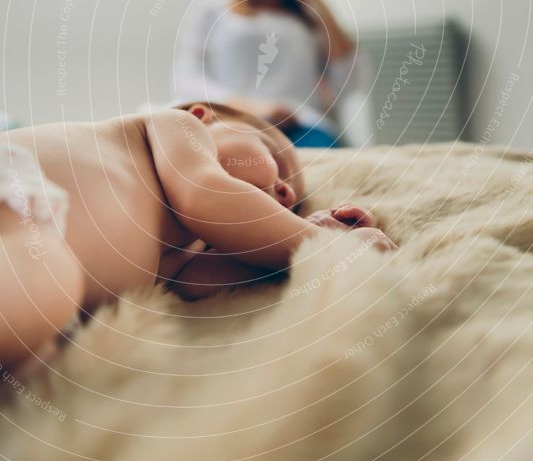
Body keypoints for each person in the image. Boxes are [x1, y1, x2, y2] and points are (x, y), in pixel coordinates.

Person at [0, 102, 396, 367]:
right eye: (275, 159)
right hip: (15, 197)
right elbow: (204, 194)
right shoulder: (178, 128)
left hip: (40, 266)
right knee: (44, 278)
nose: (286, 191)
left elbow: (198, 279)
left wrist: (289, 248)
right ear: (205, 115)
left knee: (42, 298)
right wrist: (321, 241)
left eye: (290, 204)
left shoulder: (179, 249)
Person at [173, 0, 367, 146]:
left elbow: (351, 80)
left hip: (302, 126)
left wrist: (316, 0)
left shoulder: (307, 21)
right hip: (234, 121)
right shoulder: (213, 9)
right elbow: (187, 77)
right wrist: (250, 108)